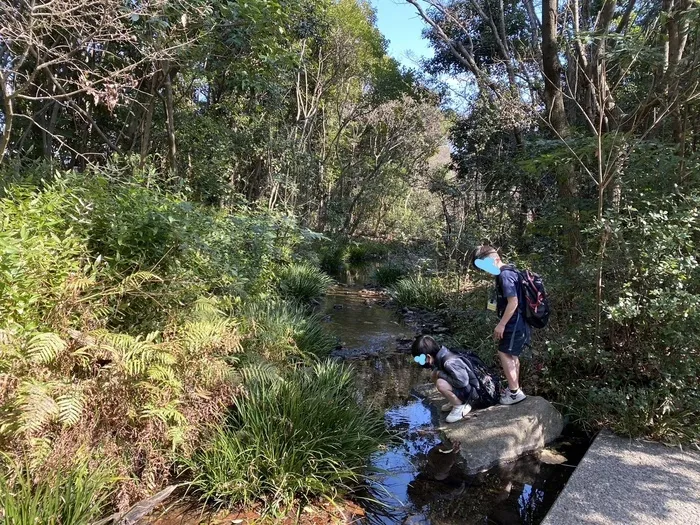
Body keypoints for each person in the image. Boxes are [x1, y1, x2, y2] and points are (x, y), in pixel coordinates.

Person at [472, 245, 529, 405]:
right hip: (519, 322)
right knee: (512, 354)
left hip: (514, 322)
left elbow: (514, 302)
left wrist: (501, 324)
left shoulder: (505, 275)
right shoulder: (511, 271)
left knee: (504, 353)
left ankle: (515, 393)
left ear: (495, 260)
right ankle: (514, 388)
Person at [411, 335, 479, 423]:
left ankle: (460, 406)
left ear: (428, 357)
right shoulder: (441, 355)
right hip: (468, 389)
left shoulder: (449, 362)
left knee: (440, 383)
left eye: (421, 360)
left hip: (474, 393)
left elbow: (462, 382)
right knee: (435, 375)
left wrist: (440, 374)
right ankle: (455, 400)